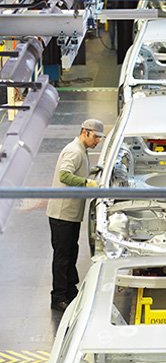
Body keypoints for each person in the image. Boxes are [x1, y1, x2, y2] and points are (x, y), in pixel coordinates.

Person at [47, 118, 105, 312]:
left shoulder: (82, 150)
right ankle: (58, 298)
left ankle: (70, 290)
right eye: (96, 137)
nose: (98, 141)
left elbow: (77, 171)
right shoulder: (74, 150)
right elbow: (65, 175)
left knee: (71, 252)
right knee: (63, 255)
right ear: (85, 132)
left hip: (71, 213)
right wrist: (87, 183)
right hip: (62, 213)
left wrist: (93, 172)